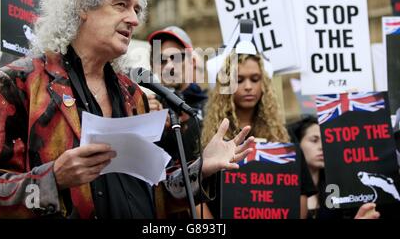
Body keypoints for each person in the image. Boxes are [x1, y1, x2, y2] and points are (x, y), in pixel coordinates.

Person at [0, 0, 254, 219]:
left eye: (137, 10)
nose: (133, 19)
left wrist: (201, 168)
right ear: (83, 7)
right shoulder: (20, 82)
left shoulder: (133, 93)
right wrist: (54, 178)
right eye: (121, 5)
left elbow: (151, 191)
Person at [199, 52, 317, 219]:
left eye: (255, 79)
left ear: (264, 84)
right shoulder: (208, 136)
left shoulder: (283, 135)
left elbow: (300, 192)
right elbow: (195, 196)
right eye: (239, 80)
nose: (248, 86)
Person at [292, 116, 380, 219]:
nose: (322, 146)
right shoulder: (287, 192)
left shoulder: (340, 191)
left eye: (326, 141)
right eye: (314, 140)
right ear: (297, 144)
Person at [147, 26, 207, 162]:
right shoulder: (147, 109)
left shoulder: (212, 107)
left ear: (192, 61)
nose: (169, 66)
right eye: (162, 60)